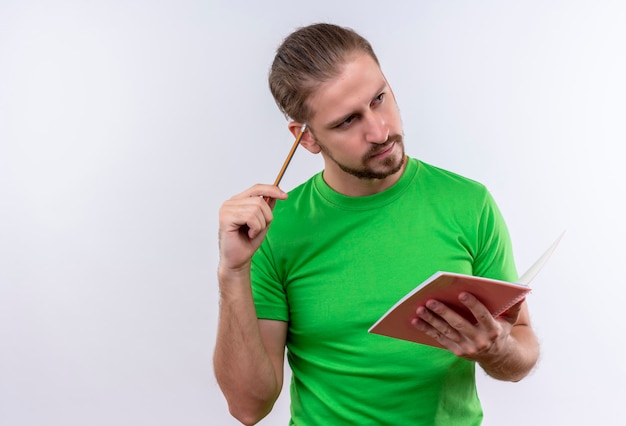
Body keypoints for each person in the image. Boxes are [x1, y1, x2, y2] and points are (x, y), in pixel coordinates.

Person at [214, 23, 540, 425]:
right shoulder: (273, 229)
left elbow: (521, 353)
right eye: (347, 121)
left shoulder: (470, 204)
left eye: (380, 98)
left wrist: (496, 348)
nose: (380, 130)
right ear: (306, 138)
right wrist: (233, 272)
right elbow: (249, 408)